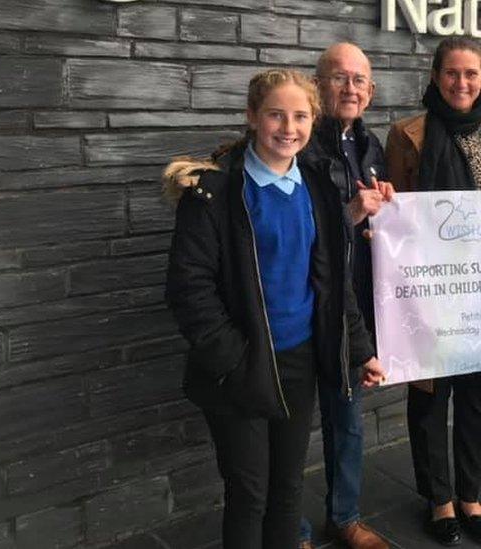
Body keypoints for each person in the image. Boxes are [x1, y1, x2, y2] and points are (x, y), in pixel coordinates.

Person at [163, 69, 385, 549]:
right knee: (250, 493)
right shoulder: (215, 192)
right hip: (242, 365)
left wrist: (359, 348)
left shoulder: (315, 185)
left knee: (288, 489)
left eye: (301, 116)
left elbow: (331, 279)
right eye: (276, 115)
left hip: (299, 361)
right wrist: (233, 359)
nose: (289, 127)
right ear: (251, 117)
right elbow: (189, 288)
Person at [385, 36, 481, 547]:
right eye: (452, 73)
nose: (461, 83)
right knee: (431, 399)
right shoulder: (409, 137)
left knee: (476, 398)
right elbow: (395, 221)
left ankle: (470, 494)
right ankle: (439, 498)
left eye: (471, 74)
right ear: (435, 77)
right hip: (432, 293)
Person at [297, 42, 392, 549]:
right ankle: (292, 530)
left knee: (347, 422)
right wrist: (352, 216)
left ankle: (345, 517)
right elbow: (302, 228)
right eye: (339, 77)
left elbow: (365, 228)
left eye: (358, 80)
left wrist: (387, 218)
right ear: (318, 85)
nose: (350, 88)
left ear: (371, 92)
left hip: (347, 310)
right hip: (299, 306)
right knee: (289, 432)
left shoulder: (371, 148)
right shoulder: (298, 142)